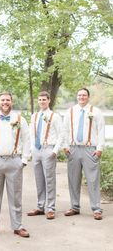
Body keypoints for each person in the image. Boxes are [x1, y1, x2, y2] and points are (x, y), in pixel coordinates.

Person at [0, 91, 30, 238]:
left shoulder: (20, 119)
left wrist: (24, 160)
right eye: (2, 100)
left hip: (14, 161)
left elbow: (27, 140)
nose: (5, 102)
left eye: (7, 100)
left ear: (12, 102)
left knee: (15, 196)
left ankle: (17, 226)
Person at [62, 87, 105, 220]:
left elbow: (101, 130)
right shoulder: (70, 111)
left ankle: (96, 209)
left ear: (88, 97)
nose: (81, 97)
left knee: (92, 180)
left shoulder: (96, 112)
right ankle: (75, 207)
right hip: (73, 148)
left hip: (90, 149)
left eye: (84, 95)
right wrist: (65, 146)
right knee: (73, 179)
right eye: (79, 95)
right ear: (77, 97)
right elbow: (65, 130)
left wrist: (99, 149)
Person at [27, 91, 62, 220]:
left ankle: (51, 208)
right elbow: (31, 134)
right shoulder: (34, 116)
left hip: (49, 150)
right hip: (36, 150)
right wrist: (31, 149)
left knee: (50, 180)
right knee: (39, 179)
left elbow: (61, 135)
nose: (42, 102)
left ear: (49, 100)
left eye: (44, 99)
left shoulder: (55, 116)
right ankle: (40, 206)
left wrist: (55, 151)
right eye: (40, 99)